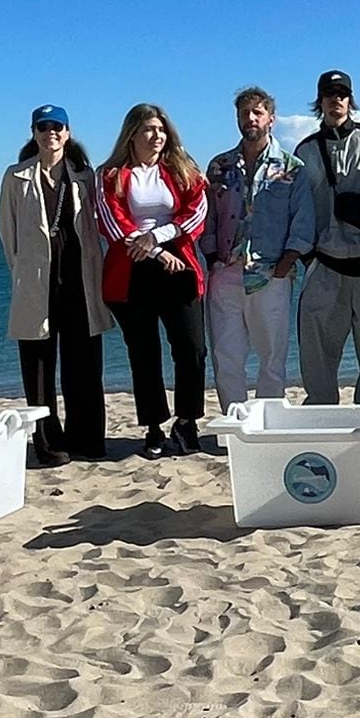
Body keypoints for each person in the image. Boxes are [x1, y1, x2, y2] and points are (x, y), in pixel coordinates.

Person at [0, 105, 110, 464]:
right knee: (39, 366)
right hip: (36, 278)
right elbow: (8, 233)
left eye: (57, 126)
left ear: (67, 131)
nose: (51, 132)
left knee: (84, 363)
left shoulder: (85, 176)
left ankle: (87, 438)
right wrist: (22, 271)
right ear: (34, 132)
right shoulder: (16, 176)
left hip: (79, 273)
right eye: (43, 126)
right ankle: (47, 441)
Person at [96, 103, 209, 459]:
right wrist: (156, 252)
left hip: (179, 267)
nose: (156, 136)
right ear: (132, 134)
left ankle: (187, 420)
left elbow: (198, 210)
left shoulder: (181, 169)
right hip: (132, 271)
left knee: (192, 349)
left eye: (161, 129)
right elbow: (113, 223)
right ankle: (154, 426)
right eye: (148, 129)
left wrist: (162, 237)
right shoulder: (111, 173)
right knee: (144, 354)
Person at [201, 86, 315, 413]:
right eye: (243, 113)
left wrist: (285, 264)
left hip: (270, 274)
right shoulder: (219, 166)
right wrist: (212, 257)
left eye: (257, 112)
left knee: (272, 356)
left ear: (271, 119)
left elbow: (303, 220)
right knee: (227, 355)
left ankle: (268, 424)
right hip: (226, 273)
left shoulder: (291, 168)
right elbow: (207, 216)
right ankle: (235, 426)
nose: (250, 119)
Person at [294, 70, 360, 405]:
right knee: (317, 354)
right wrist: (306, 256)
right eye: (329, 94)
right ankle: (321, 417)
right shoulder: (305, 150)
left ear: (350, 99)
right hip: (325, 265)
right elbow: (298, 207)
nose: (335, 100)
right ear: (319, 101)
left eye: (342, 93)